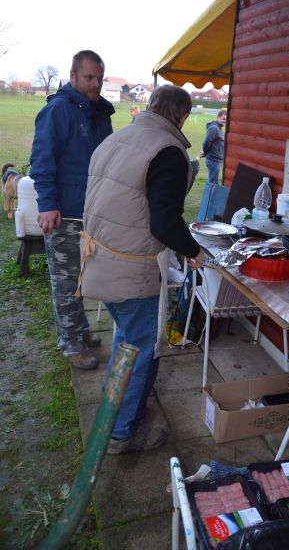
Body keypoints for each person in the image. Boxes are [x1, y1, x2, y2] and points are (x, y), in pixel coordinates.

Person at [78, 84, 205, 454]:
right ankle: (122, 433)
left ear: (151, 106)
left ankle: (115, 408)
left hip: (98, 259)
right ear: (181, 116)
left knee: (126, 341)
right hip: (131, 270)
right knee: (145, 348)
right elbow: (164, 222)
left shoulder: (118, 139)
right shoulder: (167, 151)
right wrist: (193, 251)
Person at [30, 50, 114, 370]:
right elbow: (42, 161)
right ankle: (70, 343)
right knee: (66, 283)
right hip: (64, 215)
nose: (95, 84)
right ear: (74, 75)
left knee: (83, 280)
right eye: (90, 77)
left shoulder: (100, 114)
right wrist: (48, 204)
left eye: (100, 78)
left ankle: (80, 331)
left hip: (92, 215)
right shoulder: (57, 111)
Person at [198, 109, 227, 183]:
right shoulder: (214, 128)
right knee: (212, 183)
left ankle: (209, 194)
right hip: (214, 160)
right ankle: (208, 195)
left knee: (212, 182)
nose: (225, 121)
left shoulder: (219, 128)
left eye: (226, 119)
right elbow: (206, 143)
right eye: (223, 119)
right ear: (218, 117)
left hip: (216, 160)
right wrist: (205, 152)